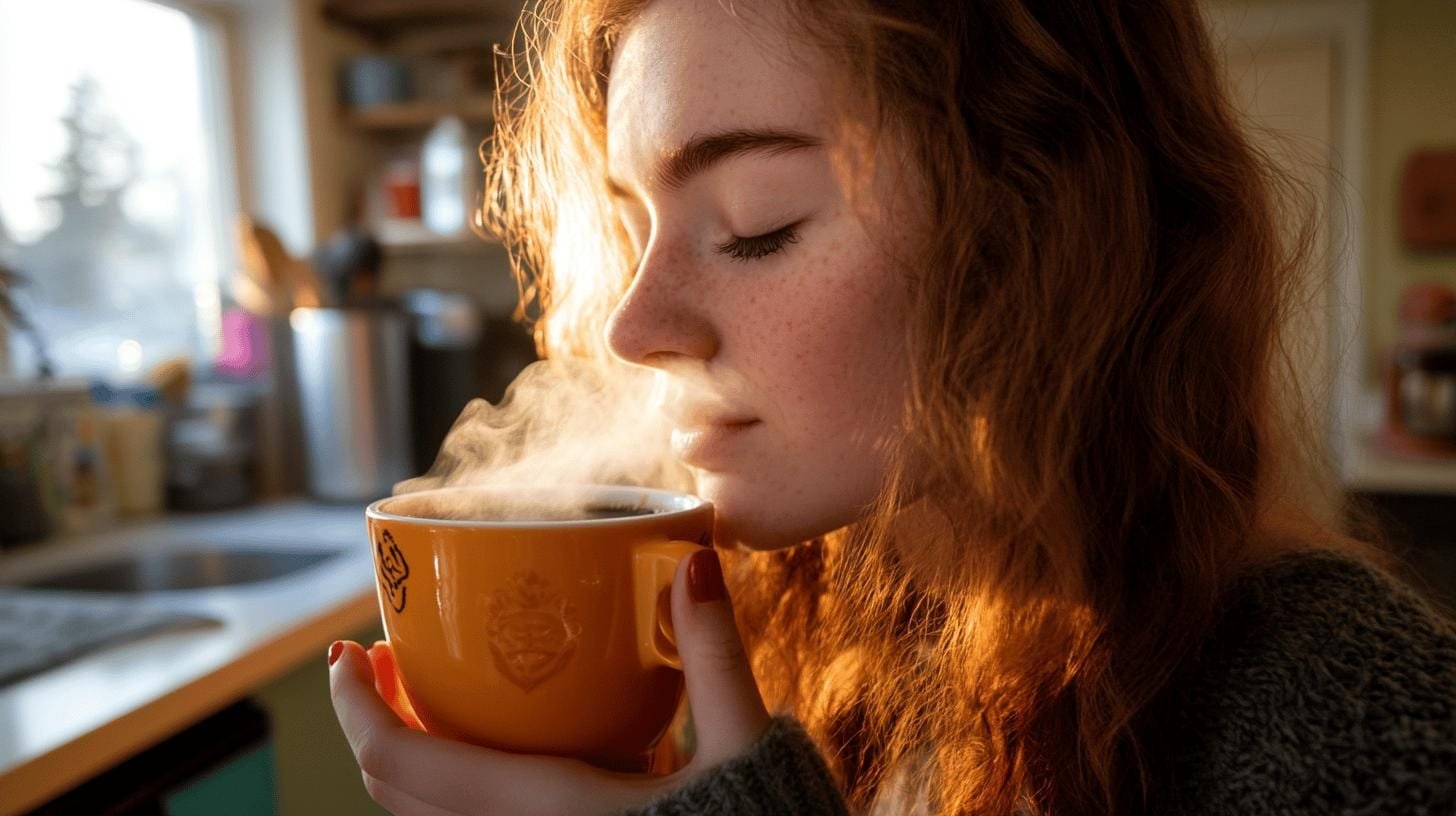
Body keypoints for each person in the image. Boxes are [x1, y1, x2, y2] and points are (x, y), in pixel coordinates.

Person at [327, 0, 1456, 813]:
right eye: (629, 231)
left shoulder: (1348, 723)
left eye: (755, 219)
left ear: (1035, 230)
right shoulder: (829, 635)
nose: (631, 326)